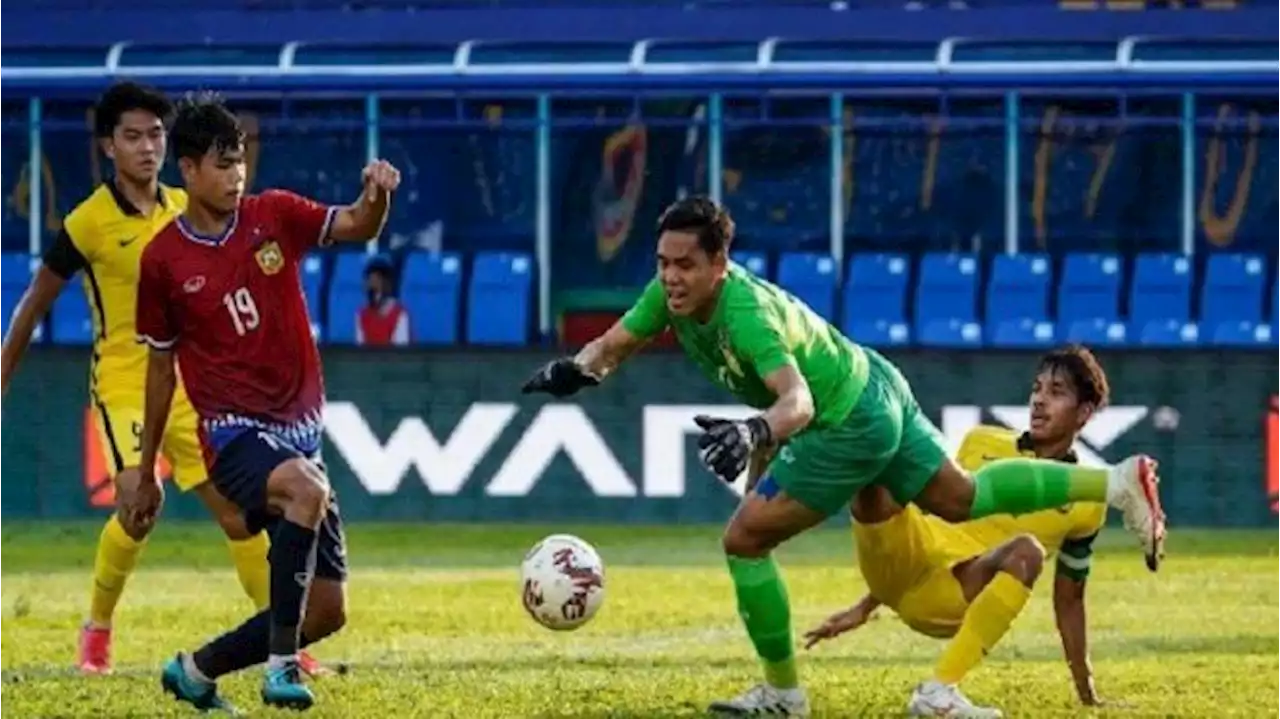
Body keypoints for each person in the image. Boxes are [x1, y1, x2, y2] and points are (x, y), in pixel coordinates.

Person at [521, 196, 1165, 717]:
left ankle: (783, 695)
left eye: (685, 264)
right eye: (662, 262)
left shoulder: (748, 316)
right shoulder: (668, 296)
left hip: (846, 419)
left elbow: (794, 405)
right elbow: (614, 343)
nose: (669, 277)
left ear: (720, 262)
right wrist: (572, 371)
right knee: (959, 497)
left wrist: (752, 434)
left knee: (743, 541)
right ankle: (1112, 481)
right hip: (877, 382)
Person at [0, 81, 328, 677]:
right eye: (132, 136)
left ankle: (287, 644)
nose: (146, 147)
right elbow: (35, 300)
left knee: (240, 517)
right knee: (136, 507)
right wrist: (2, 373)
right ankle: (97, 631)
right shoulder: (88, 223)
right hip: (127, 383)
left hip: (196, 388)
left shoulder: (190, 204)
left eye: (154, 134)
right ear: (108, 147)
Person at [127, 92, 400, 711]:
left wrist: (378, 193)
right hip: (230, 434)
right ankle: (282, 669)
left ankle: (195, 670)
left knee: (326, 610)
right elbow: (160, 364)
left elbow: (359, 223)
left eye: (241, 160)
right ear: (188, 170)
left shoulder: (274, 215)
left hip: (299, 432)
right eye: (222, 164)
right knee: (305, 489)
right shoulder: (163, 261)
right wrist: (147, 472)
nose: (236, 174)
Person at [804, 345, 1118, 718]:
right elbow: (921, 519)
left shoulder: (1088, 500)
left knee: (1025, 550)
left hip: (952, 595)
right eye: (1037, 388)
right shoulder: (981, 441)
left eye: (1056, 391)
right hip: (903, 568)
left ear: (1084, 412)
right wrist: (865, 607)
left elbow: (1069, 601)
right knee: (880, 461)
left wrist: (1087, 690)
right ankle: (799, 430)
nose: (1039, 401)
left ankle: (940, 691)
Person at [356, 253, 410, 346]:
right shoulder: (361, 314)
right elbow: (360, 349)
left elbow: (400, 353)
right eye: (370, 281)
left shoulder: (400, 314)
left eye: (377, 282)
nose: (373, 288)